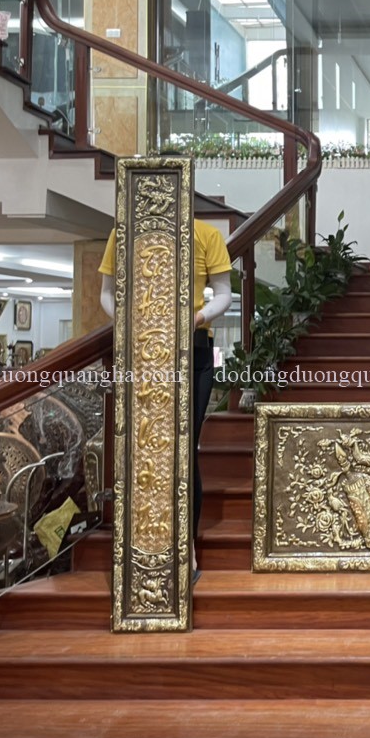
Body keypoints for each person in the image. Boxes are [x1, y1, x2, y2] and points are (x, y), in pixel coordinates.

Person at [98, 219, 233, 581]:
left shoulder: (206, 234)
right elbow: (107, 293)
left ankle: (186, 549)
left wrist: (196, 317)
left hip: (194, 350)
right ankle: (143, 545)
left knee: (183, 449)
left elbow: (224, 294)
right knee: (145, 448)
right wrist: (134, 319)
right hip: (144, 352)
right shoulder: (124, 231)